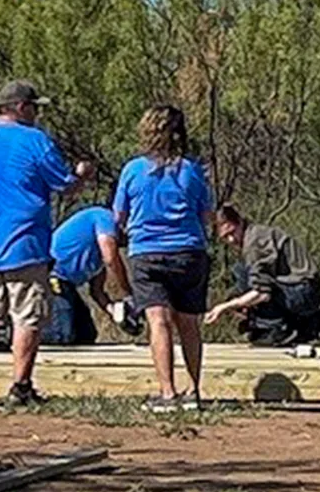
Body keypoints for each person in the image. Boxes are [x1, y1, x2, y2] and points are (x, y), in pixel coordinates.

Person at [0, 80, 93, 407]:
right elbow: (65, 186)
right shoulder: (34, 141)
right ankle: (21, 385)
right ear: (21, 108)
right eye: (34, 107)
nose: (37, 114)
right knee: (28, 313)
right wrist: (83, 175)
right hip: (25, 243)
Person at [113, 105, 213, 413]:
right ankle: (194, 389)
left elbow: (119, 214)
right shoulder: (193, 171)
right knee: (189, 323)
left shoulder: (133, 170)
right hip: (188, 250)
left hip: (147, 251)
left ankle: (167, 392)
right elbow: (206, 214)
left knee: (158, 321)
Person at [204, 205, 320, 346]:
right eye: (225, 237)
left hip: (304, 292)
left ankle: (278, 328)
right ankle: (302, 323)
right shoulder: (256, 233)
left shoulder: (254, 243)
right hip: (300, 288)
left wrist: (225, 307)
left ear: (240, 222)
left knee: (250, 285)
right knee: (241, 273)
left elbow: (262, 293)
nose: (231, 240)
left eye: (232, 232)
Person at [40, 205, 141, 344]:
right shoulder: (105, 217)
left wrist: (117, 315)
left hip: (68, 285)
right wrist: (128, 295)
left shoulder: (97, 258)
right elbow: (111, 259)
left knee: (86, 333)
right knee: (62, 333)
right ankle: (27, 339)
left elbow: (97, 291)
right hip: (53, 276)